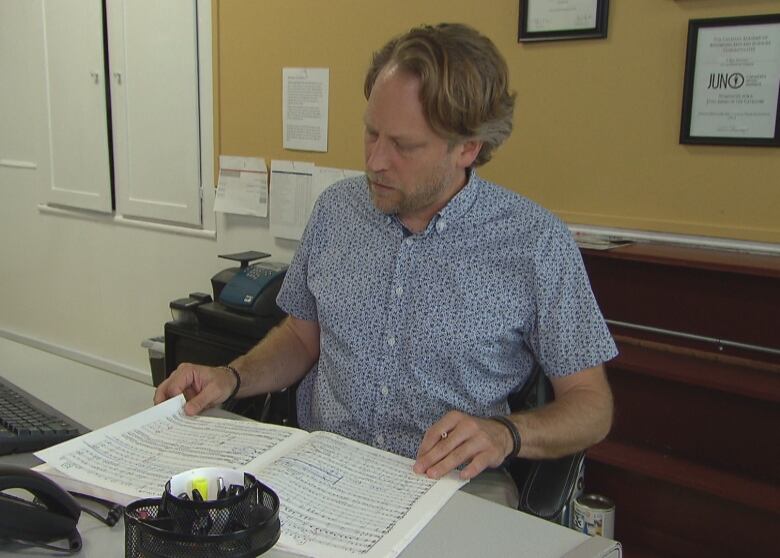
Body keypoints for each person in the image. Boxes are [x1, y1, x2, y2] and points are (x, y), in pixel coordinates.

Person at [154, 22, 616, 507]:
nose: (375, 160)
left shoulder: (534, 243)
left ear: (468, 148)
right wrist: (233, 375)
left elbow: (592, 405)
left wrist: (505, 434)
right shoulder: (337, 211)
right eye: (371, 133)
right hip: (323, 466)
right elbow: (299, 337)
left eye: (403, 145)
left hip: (450, 486)